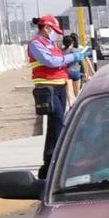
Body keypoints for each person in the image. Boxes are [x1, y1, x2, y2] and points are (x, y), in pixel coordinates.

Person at [27, 16, 91, 178]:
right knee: (56, 122)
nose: (57, 35)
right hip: (46, 88)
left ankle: (51, 160)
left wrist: (75, 64)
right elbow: (51, 62)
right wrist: (72, 57)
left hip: (60, 86)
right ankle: (50, 162)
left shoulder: (52, 44)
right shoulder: (36, 44)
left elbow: (59, 63)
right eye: (55, 31)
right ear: (47, 28)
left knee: (57, 123)